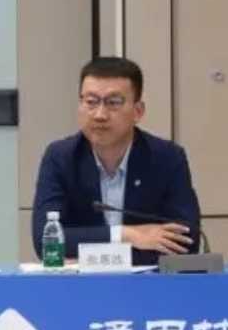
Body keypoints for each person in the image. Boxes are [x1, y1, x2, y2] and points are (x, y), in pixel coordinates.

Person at [31, 57, 202, 266]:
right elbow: (46, 241)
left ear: (138, 111)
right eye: (91, 102)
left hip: (146, 283)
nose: (100, 115)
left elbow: (186, 242)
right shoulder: (61, 157)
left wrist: (88, 255)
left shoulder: (167, 158)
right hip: (81, 284)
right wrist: (126, 235)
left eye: (113, 103)